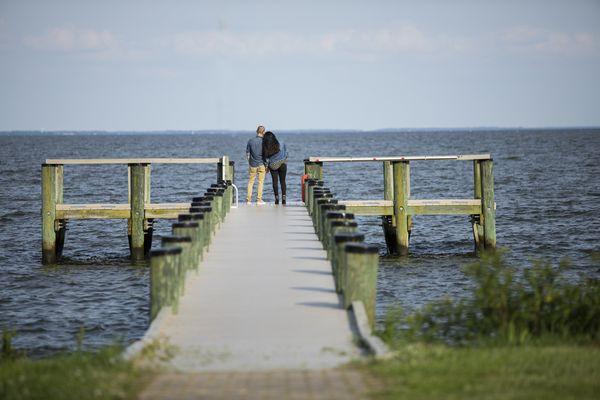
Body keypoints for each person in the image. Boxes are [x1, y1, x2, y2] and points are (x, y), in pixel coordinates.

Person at [262, 131, 288, 205]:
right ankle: (284, 198)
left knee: (275, 181)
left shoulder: (265, 147)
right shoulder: (281, 142)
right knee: (283, 181)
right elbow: (286, 153)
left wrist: (266, 167)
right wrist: (284, 159)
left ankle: (276, 198)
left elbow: (265, 159)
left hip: (273, 165)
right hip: (282, 163)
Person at [246, 125, 267, 205]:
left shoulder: (250, 141)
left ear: (256, 131)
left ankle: (248, 200)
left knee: (251, 182)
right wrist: (267, 165)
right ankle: (259, 200)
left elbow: (247, 153)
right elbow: (266, 155)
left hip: (253, 164)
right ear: (263, 132)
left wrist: (249, 162)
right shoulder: (264, 142)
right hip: (262, 164)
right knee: (260, 182)